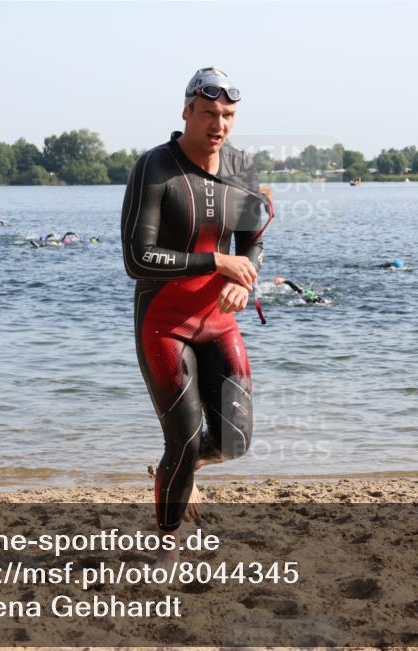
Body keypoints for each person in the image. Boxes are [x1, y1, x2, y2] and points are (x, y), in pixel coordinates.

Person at [121, 66, 266, 564]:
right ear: (186, 112)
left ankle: (176, 469)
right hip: (165, 320)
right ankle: (167, 549)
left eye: (227, 115)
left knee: (236, 440)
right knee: (181, 439)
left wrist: (240, 279)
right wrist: (216, 261)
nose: (218, 124)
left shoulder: (243, 168)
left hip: (218, 319)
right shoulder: (155, 168)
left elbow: (252, 243)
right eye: (208, 113)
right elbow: (136, 258)